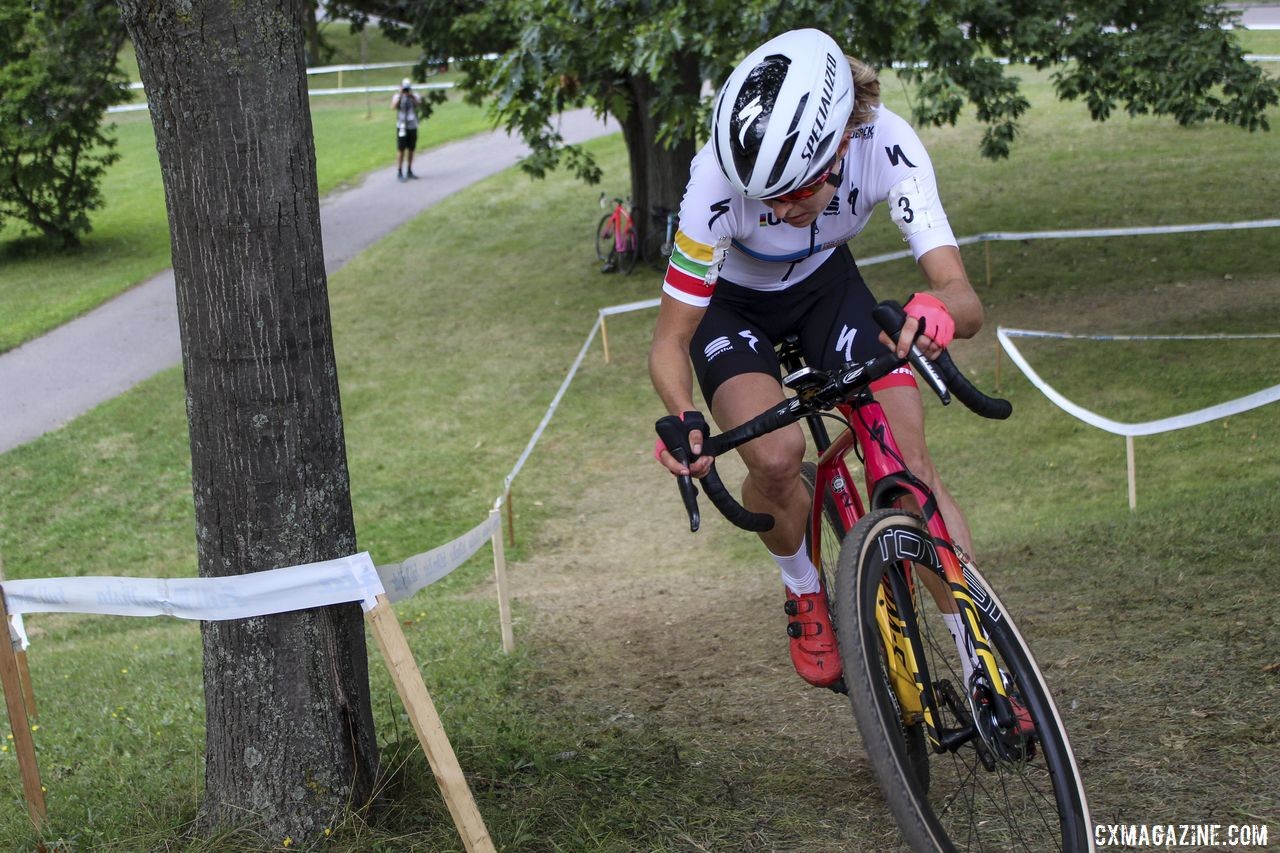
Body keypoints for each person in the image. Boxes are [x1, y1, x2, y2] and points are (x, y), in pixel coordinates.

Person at [649, 29, 984, 690]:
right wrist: (683, 414)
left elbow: (963, 297)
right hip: (734, 306)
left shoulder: (886, 144)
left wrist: (939, 310)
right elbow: (668, 340)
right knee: (774, 458)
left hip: (829, 289)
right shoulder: (714, 182)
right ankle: (803, 587)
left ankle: (982, 652)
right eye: (765, 196)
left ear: (838, 146)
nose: (780, 209)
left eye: (797, 192)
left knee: (910, 465)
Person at [392, 78, 423, 182]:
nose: (406, 90)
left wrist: (411, 96)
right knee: (401, 149)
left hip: (412, 125)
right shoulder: (397, 96)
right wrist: (401, 96)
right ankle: (399, 171)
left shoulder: (414, 96)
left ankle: (409, 170)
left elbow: (419, 104)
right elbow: (393, 107)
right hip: (401, 125)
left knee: (411, 149)